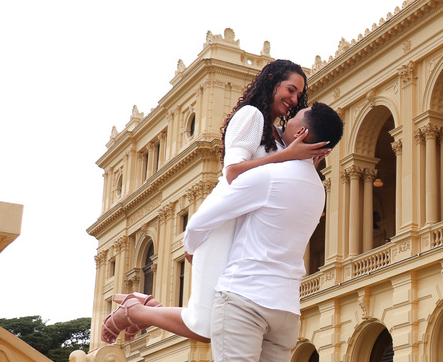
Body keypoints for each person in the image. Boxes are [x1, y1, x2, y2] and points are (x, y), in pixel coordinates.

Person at [186, 101, 344, 362]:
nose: (286, 122)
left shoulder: (268, 177)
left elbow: (200, 221)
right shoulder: (317, 190)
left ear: (301, 135)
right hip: (286, 305)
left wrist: (191, 248)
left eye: (294, 120)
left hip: (243, 296)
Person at [101, 59, 330, 343]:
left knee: (218, 322)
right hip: (222, 226)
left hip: (243, 234)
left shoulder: (277, 135)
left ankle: (144, 307)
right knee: (208, 326)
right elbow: (232, 172)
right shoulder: (251, 116)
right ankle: (135, 311)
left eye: (299, 94)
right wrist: (288, 156)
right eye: (290, 89)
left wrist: (306, 159)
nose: (294, 99)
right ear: (272, 80)